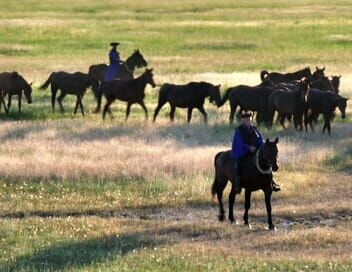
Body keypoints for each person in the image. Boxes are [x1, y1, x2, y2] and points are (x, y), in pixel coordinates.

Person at [231, 111, 280, 194]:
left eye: (250, 120)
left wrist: (264, 146)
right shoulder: (239, 130)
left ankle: (272, 182)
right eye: (246, 120)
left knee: (266, 161)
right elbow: (239, 143)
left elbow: (260, 140)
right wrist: (248, 147)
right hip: (243, 151)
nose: (248, 122)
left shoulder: (254, 129)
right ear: (243, 121)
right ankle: (238, 184)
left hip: (255, 150)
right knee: (239, 164)